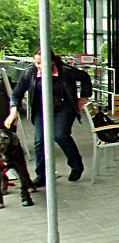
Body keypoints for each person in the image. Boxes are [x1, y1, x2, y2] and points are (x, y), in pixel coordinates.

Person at [4, 50, 92, 186]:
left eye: (41, 63)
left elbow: (85, 77)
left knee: (60, 135)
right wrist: (13, 110)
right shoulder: (30, 72)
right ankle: (41, 175)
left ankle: (76, 165)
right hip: (40, 109)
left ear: (52, 62)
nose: (38, 66)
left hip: (63, 106)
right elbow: (17, 94)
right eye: (36, 63)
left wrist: (83, 97)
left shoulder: (65, 71)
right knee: (39, 140)